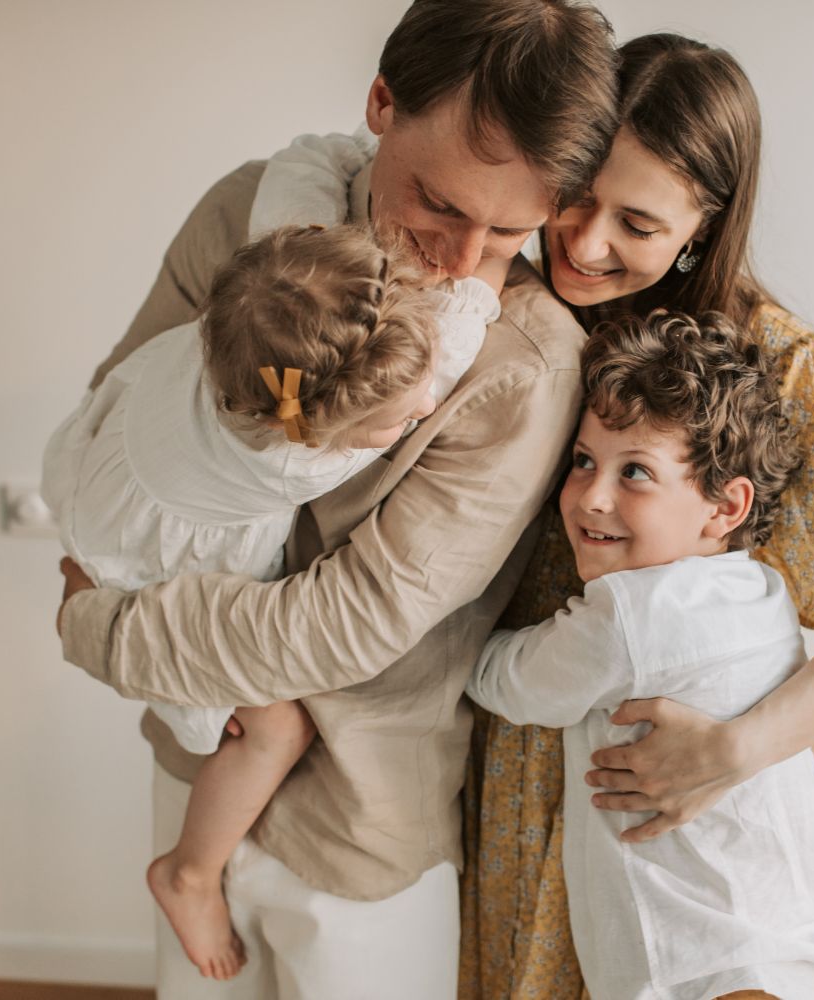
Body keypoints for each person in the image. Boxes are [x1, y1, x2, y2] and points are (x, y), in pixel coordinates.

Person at [53, 2, 619, 997]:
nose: (460, 259)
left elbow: (355, 620)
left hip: (362, 829)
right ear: (380, 102)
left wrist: (108, 629)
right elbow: (122, 408)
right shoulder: (243, 214)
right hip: (197, 772)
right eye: (437, 205)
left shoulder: (525, 364)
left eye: (511, 230)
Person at [460, 32, 814, 998]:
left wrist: (729, 753)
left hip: (675, 814)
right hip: (513, 784)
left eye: (636, 220)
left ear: (704, 226)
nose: (585, 243)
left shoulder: (787, 371)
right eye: (576, 197)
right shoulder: (501, 312)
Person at [42, 222, 510, 980]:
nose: (425, 408)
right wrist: (492, 260)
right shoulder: (289, 459)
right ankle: (189, 872)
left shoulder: (239, 333)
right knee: (274, 727)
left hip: (106, 482)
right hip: (142, 560)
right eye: (397, 422)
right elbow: (449, 355)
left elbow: (299, 184)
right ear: (313, 433)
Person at [468, 312, 814, 1000]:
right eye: (583, 460)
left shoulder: (631, 615)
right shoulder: (762, 592)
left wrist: (459, 627)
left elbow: (507, 681)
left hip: (698, 966)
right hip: (792, 945)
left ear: (722, 507)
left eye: (636, 471)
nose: (593, 495)